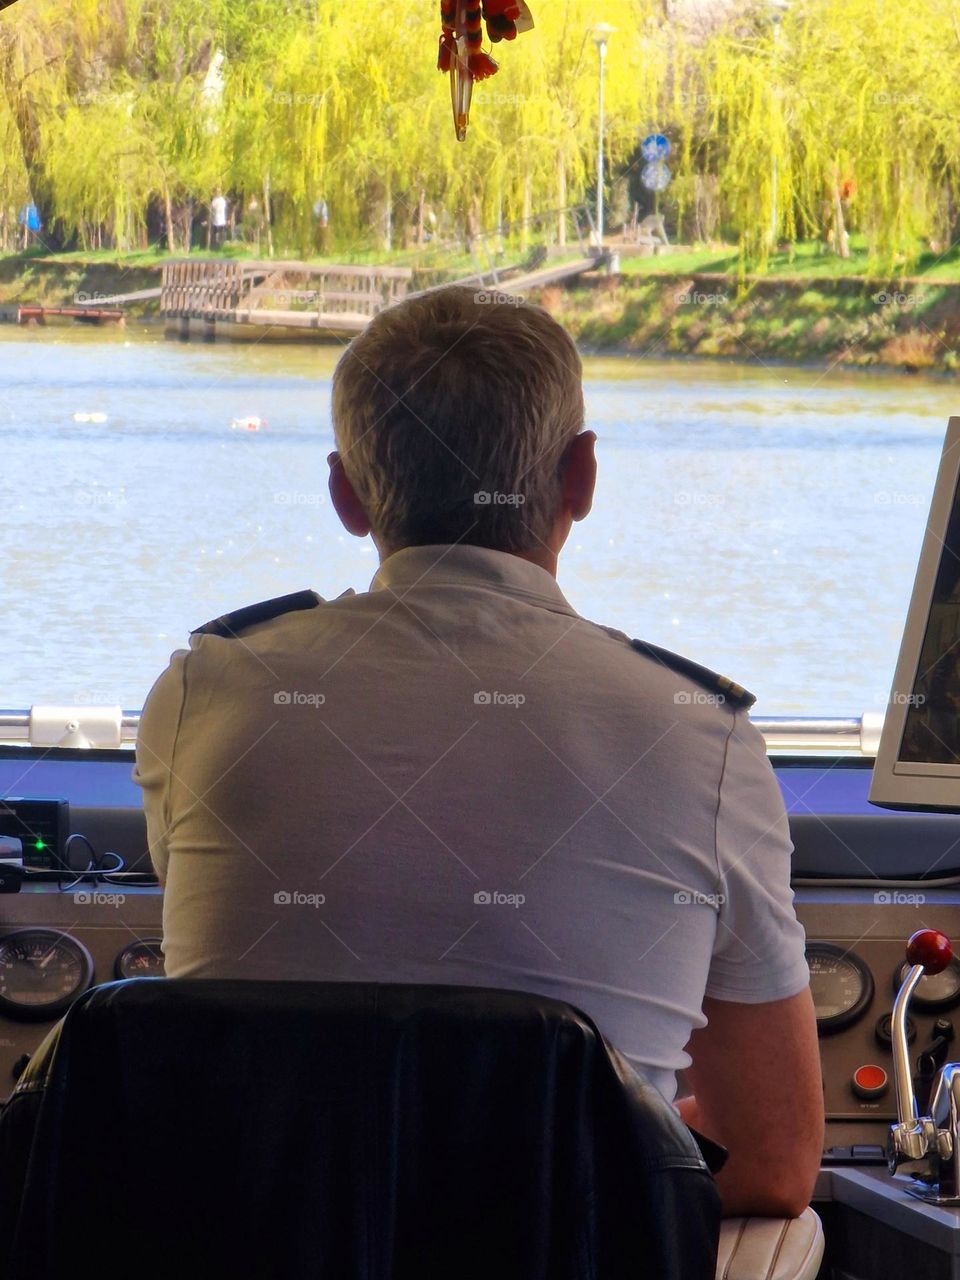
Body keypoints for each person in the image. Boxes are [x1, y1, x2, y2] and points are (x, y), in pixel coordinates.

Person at [134, 286, 823, 1217]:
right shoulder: (701, 734)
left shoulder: (200, 694)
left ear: (345, 494)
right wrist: (610, 1130)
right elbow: (776, 1164)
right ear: (582, 479)